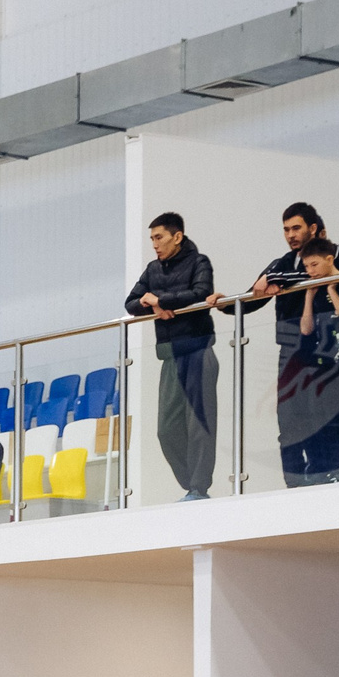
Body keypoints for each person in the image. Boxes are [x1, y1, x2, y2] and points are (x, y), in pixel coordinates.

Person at [221, 202, 339, 479]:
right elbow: (254, 295)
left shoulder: (333, 254)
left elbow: (325, 275)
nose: (291, 234)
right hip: (290, 350)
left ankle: (327, 476)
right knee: (289, 422)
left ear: (314, 228)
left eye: (296, 228)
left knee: (325, 419)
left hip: (327, 350)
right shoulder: (280, 264)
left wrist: (275, 279)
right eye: (286, 229)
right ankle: (295, 485)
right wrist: (222, 303)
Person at [126, 212, 219, 499]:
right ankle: (191, 484)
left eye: (159, 237)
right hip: (169, 355)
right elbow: (131, 302)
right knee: (166, 429)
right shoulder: (153, 269)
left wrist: (161, 300)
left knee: (199, 424)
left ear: (177, 237)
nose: (154, 244)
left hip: (198, 349)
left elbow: (201, 293)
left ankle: (198, 488)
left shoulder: (199, 261)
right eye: (152, 238)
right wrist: (152, 304)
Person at [277, 238, 339, 485]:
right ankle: (325, 471)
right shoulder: (313, 287)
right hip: (321, 366)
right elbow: (306, 329)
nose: (310, 271)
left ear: (329, 259)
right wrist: (309, 295)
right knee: (320, 420)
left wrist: (331, 290)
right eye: (307, 267)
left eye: (314, 265)